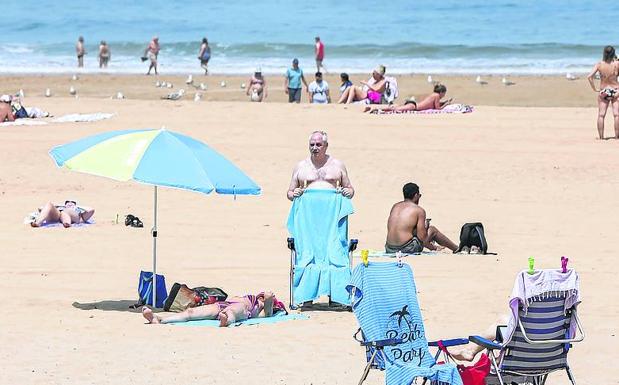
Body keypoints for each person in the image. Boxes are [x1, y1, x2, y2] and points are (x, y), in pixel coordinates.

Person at [385, 183, 457, 254]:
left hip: (389, 248)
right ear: (416, 195)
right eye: (419, 195)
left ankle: (436, 247)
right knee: (432, 230)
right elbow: (422, 237)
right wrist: (426, 227)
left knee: (412, 231)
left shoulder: (395, 206)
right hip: (406, 248)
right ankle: (456, 249)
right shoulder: (419, 210)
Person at [142, 291, 278, 327]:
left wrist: (269, 300)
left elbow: (267, 314)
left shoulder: (259, 308)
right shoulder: (249, 296)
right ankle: (159, 319)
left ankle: (226, 321)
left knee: (231, 313)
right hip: (223, 304)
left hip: (242, 309)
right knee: (190, 312)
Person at [287, 131, 354, 201]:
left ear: (326, 145)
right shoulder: (300, 166)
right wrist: (294, 194)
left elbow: (349, 189)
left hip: (332, 208)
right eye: (312, 145)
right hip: (307, 208)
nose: (314, 148)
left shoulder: (338, 165)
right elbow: (290, 192)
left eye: (318, 145)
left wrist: (348, 192)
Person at [587, 45, 619, 139]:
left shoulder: (599, 64)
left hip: (603, 90)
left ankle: (601, 137)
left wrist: (594, 88)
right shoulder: (617, 64)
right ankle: (617, 137)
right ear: (613, 53)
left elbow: (589, 77)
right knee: (616, 114)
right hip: (615, 90)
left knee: (601, 115)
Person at [364, 84, 452, 113]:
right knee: (395, 109)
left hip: (413, 104)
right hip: (414, 107)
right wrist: (446, 104)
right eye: (444, 93)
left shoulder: (434, 95)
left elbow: (434, 105)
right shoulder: (436, 96)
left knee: (395, 108)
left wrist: (444, 102)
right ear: (441, 92)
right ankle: (375, 108)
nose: (444, 95)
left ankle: (375, 108)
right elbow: (437, 108)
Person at [30, 201, 95, 228]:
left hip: (74, 217)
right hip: (59, 216)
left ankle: (67, 223)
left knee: (66, 211)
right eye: (67, 202)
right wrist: (58, 206)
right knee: (49, 204)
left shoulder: (78, 211)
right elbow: (40, 208)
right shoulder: (61, 208)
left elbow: (91, 210)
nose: (69, 203)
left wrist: (77, 206)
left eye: (72, 202)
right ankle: (38, 223)